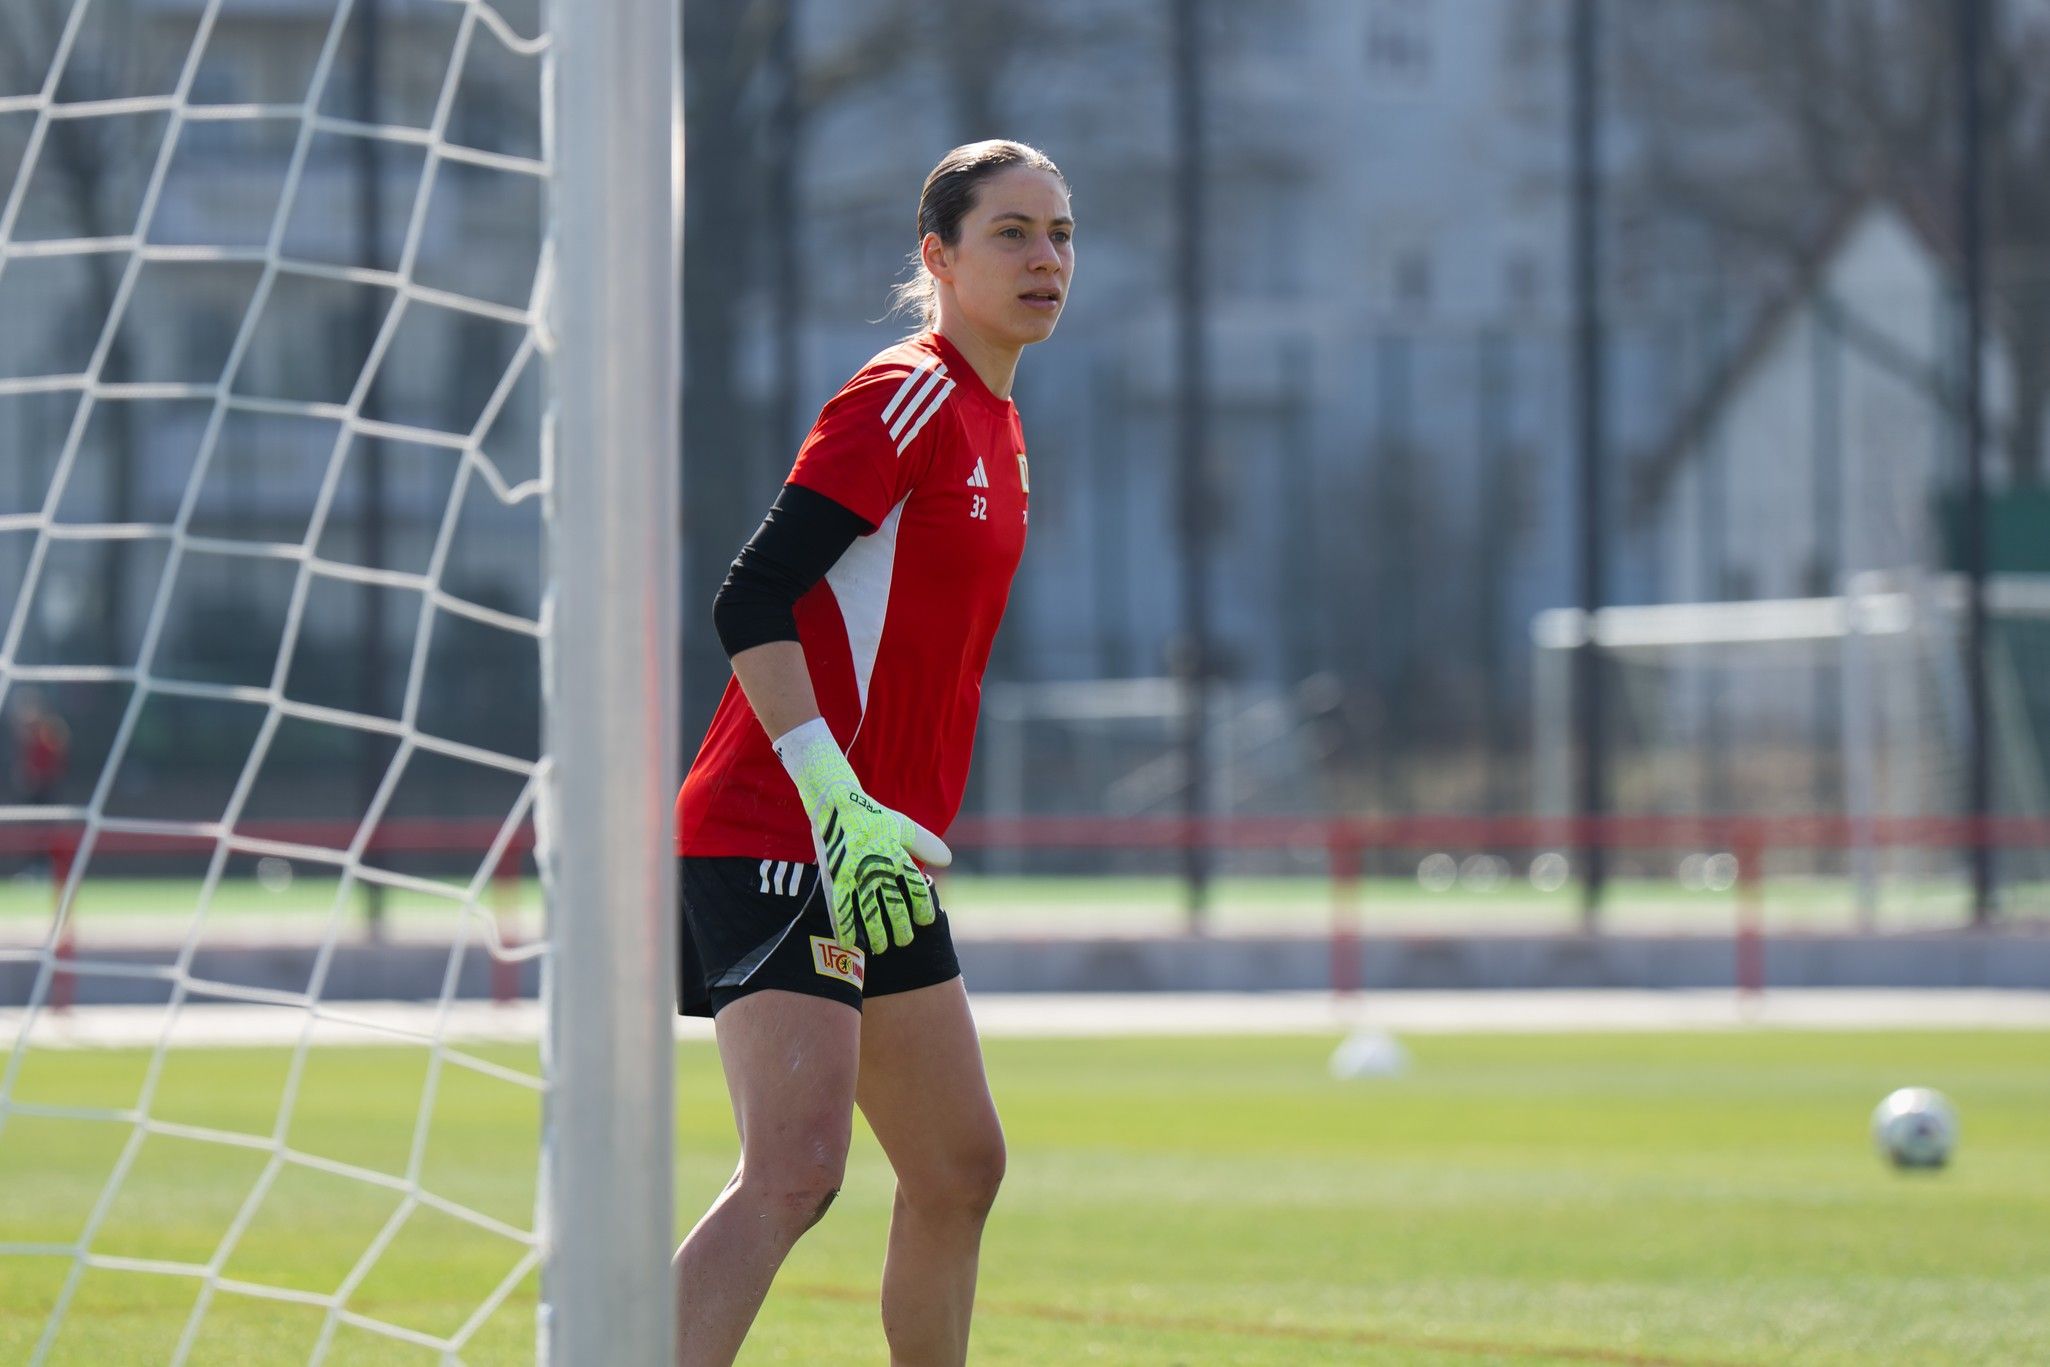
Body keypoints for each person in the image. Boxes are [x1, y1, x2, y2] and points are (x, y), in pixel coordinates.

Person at [671, 139, 1073, 1366]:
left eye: (1059, 234)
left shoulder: (996, 426)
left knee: (958, 1166)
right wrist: (829, 788)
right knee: (794, 1169)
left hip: (873, 854)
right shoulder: (903, 393)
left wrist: (871, 817)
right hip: (782, 824)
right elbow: (752, 598)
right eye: (1010, 233)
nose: (1044, 258)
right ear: (937, 256)